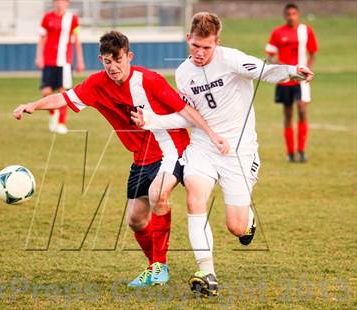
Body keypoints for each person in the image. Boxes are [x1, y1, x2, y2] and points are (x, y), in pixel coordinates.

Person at [14, 31, 228, 287]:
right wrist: (34, 105)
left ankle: (160, 267)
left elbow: (185, 109)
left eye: (118, 60)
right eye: (107, 61)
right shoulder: (96, 84)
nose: (113, 67)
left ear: (129, 56)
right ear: (101, 60)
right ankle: (156, 267)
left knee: (158, 193)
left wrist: (211, 134)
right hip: (141, 157)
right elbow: (65, 97)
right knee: (136, 220)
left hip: (171, 148)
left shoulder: (150, 80)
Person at [131, 12, 314, 296]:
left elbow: (264, 70)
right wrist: (151, 120)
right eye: (195, 46)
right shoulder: (183, 73)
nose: (200, 53)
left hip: (239, 153)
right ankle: (206, 271)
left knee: (236, 227)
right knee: (194, 196)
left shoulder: (231, 59)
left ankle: (247, 221)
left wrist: (292, 71)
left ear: (217, 43)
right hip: (203, 147)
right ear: (187, 39)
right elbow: (190, 116)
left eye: (207, 47)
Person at [265, 3, 318, 162]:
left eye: (294, 13)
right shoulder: (277, 32)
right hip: (285, 78)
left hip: (301, 79)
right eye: (288, 14)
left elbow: (313, 51)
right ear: (284, 15)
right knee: (288, 114)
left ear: (298, 15)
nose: (291, 16)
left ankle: (301, 151)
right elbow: (269, 55)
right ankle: (290, 153)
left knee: (302, 109)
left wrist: (308, 69)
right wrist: (279, 64)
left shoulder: (305, 31)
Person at [35, 0, 85, 134]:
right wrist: (39, 56)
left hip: (65, 62)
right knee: (46, 91)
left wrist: (80, 60)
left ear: (67, 3)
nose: (59, 4)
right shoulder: (47, 18)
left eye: (62, 1)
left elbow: (76, 40)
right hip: (48, 60)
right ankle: (53, 114)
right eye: (57, 1)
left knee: (64, 92)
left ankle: (61, 123)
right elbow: (42, 39)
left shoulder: (73, 19)